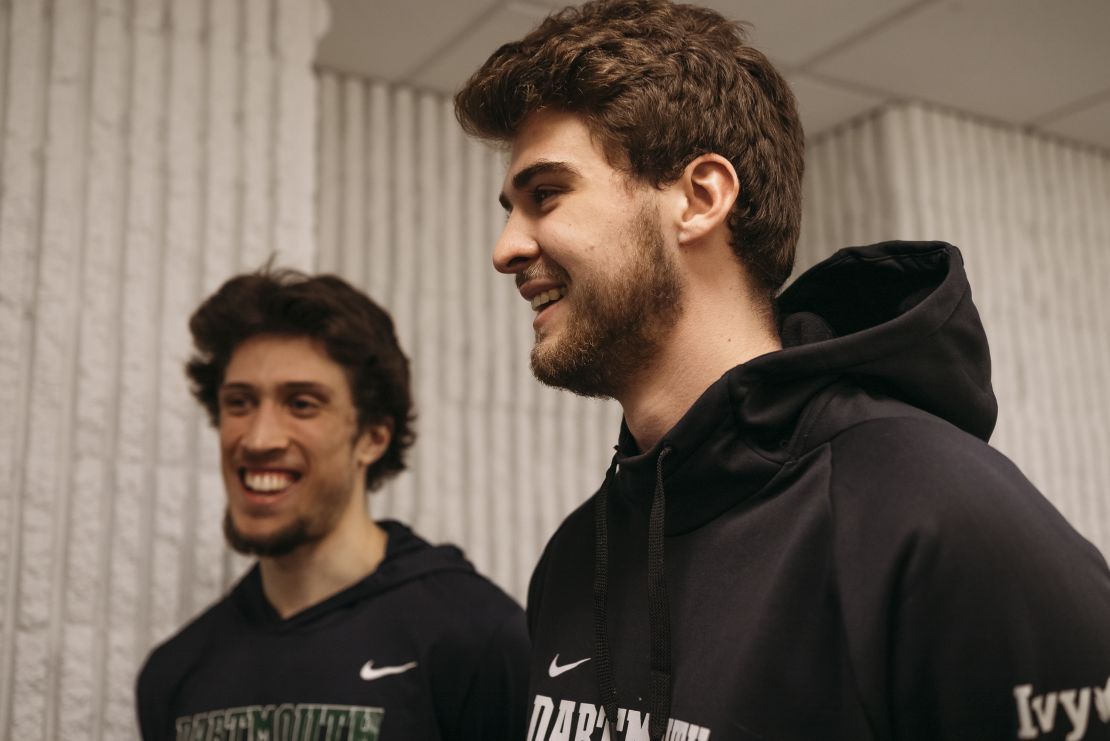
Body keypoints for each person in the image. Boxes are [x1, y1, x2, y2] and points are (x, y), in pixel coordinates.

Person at [454, 1, 1110, 739]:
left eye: (546, 195)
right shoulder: (576, 557)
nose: (506, 247)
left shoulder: (937, 515)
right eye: (512, 208)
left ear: (701, 198)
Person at [135, 269, 529, 740]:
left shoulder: (479, 641)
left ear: (371, 437)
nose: (258, 439)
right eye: (239, 403)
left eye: (302, 404)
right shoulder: (175, 675)